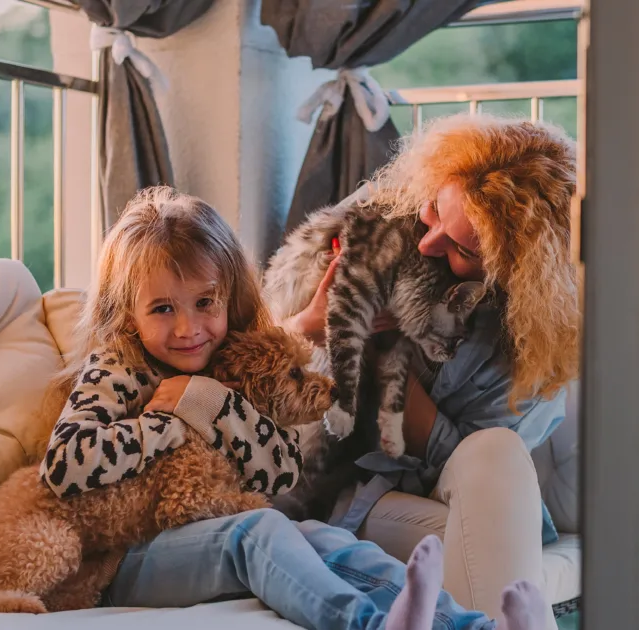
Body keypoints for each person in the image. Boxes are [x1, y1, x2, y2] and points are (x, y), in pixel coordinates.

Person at [47, 186, 553, 629]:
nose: (188, 328)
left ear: (229, 298)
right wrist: (167, 424)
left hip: (207, 534)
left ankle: (477, 627)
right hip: (122, 559)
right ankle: (368, 626)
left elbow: (280, 473)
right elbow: (64, 464)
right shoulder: (116, 371)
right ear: (127, 316)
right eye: (162, 309)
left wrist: (214, 403)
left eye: (205, 303)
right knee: (257, 530)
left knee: (324, 541)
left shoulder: (224, 370)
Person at [282, 114, 580, 621]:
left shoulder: (534, 338)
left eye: (462, 248)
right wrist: (310, 324)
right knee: (494, 552)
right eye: (436, 209)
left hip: (461, 490)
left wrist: (386, 345)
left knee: (496, 452)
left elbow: (454, 461)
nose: (427, 242)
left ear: (512, 270)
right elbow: (250, 353)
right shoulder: (384, 216)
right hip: (359, 492)